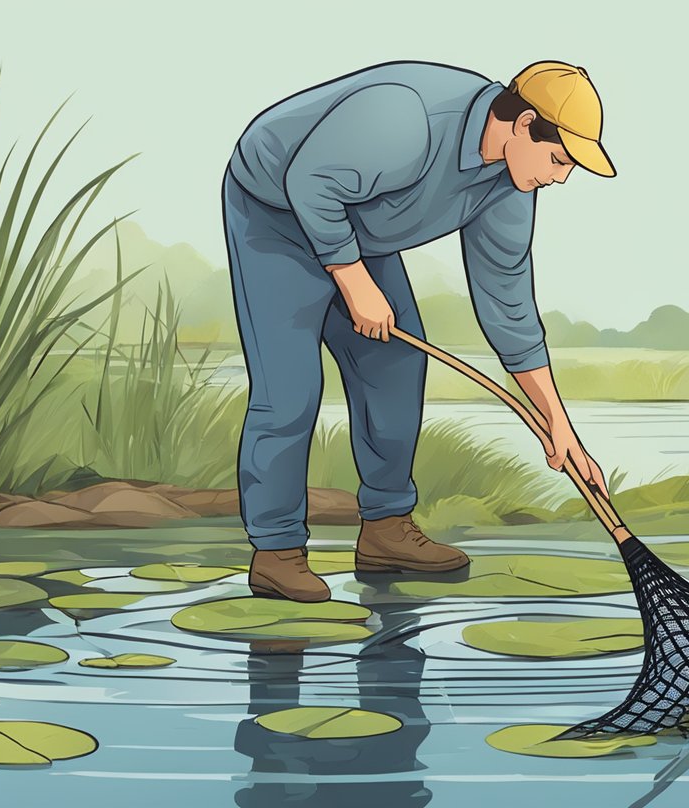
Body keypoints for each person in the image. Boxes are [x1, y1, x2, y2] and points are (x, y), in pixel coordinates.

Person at [220, 60, 616, 602]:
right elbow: (309, 182)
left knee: (397, 367)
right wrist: (354, 282)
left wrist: (558, 424)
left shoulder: (510, 185)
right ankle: (277, 552)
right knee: (289, 390)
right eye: (558, 158)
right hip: (277, 212)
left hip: (355, 225)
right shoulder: (407, 120)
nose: (560, 175)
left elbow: (509, 305)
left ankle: (385, 530)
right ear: (524, 124)